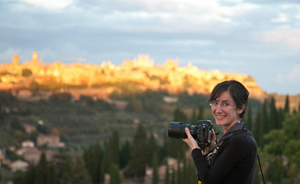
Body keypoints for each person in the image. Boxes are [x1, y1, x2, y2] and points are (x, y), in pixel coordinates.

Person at [183, 80, 257, 184]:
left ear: (240, 108)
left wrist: (196, 150)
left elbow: (209, 180)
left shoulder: (239, 141)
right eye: (215, 103)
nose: (218, 110)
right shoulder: (235, 137)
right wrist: (210, 152)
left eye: (225, 104)